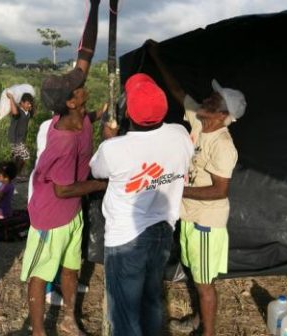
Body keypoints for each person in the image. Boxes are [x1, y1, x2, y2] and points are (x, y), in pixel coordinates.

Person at [146, 40, 247, 336]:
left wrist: (178, 189)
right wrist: (156, 57)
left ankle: (208, 332)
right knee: (196, 275)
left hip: (205, 223)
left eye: (213, 101)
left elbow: (219, 191)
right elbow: (177, 92)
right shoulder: (201, 123)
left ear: (222, 114)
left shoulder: (223, 145)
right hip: (191, 216)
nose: (206, 100)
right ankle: (201, 320)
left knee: (204, 284)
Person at [21, 1, 106, 334]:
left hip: (71, 213)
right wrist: (103, 184)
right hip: (52, 214)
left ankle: (70, 319)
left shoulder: (77, 114)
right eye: (77, 83)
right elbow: (63, 188)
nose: (82, 79)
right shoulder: (62, 139)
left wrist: (96, 5)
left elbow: (86, 52)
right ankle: (40, 331)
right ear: (71, 100)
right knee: (41, 274)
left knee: (71, 267)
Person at [89, 73, 194, 335]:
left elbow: (97, 171)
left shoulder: (114, 149)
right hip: (163, 231)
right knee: (151, 300)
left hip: (127, 239)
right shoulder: (181, 134)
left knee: (125, 316)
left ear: (129, 113)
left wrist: (108, 137)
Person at [6, 91, 35, 177]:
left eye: (30, 104)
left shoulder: (28, 113)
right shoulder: (18, 111)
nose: (29, 105)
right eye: (27, 103)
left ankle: (13, 174)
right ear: (21, 103)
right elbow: (14, 113)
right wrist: (11, 98)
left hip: (21, 139)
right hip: (15, 139)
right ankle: (17, 174)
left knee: (16, 158)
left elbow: (33, 110)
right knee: (25, 156)